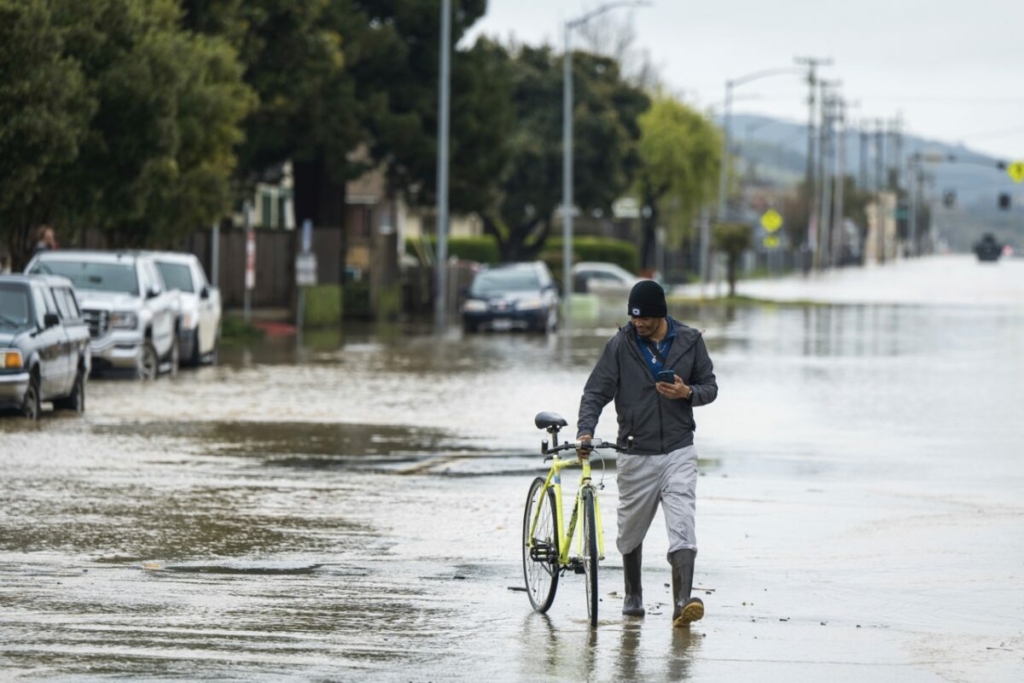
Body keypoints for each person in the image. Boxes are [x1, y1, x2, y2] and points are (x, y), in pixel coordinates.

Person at [576, 280, 718, 627]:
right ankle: (633, 593)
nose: (637, 324)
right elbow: (595, 392)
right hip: (634, 450)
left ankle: (682, 602)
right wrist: (586, 429)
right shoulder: (620, 345)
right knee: (630, 530)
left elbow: (710, 388)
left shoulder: (690, 342)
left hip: (678, 448)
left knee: (683, 522)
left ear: (660, 314)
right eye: (633, 317)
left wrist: (687, 393)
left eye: (645, 319)